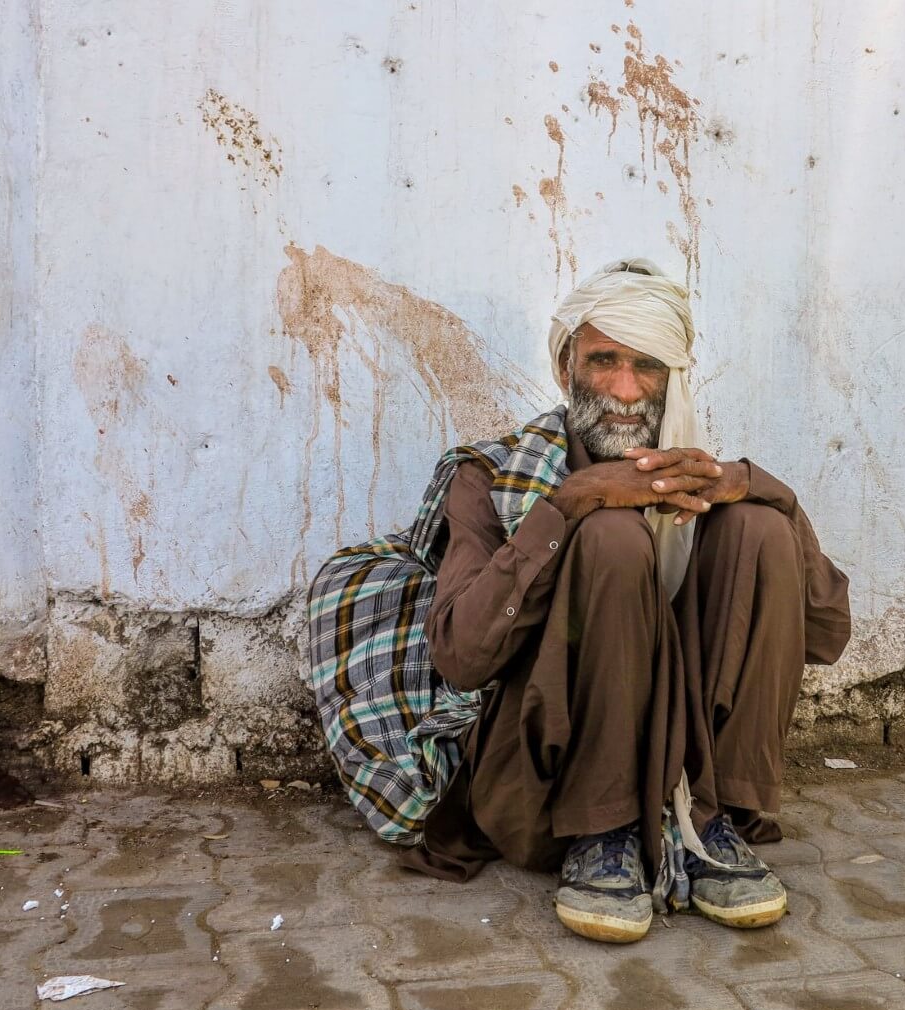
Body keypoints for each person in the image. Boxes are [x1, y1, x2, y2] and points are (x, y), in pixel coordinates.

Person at [306, 258, 850, 944]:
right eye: (603, 361)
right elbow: (462, 658)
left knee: (758, 525)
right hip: (538, 783)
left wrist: (760, 487)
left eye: (647, 365)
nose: (626, 391)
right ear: (565, 365)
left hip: (692, 780)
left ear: (675, 375)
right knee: (612, 538)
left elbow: (826, 635)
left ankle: (711, 823)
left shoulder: (700, 480)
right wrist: (568, 506)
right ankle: (605, 830)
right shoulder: (489, 475)